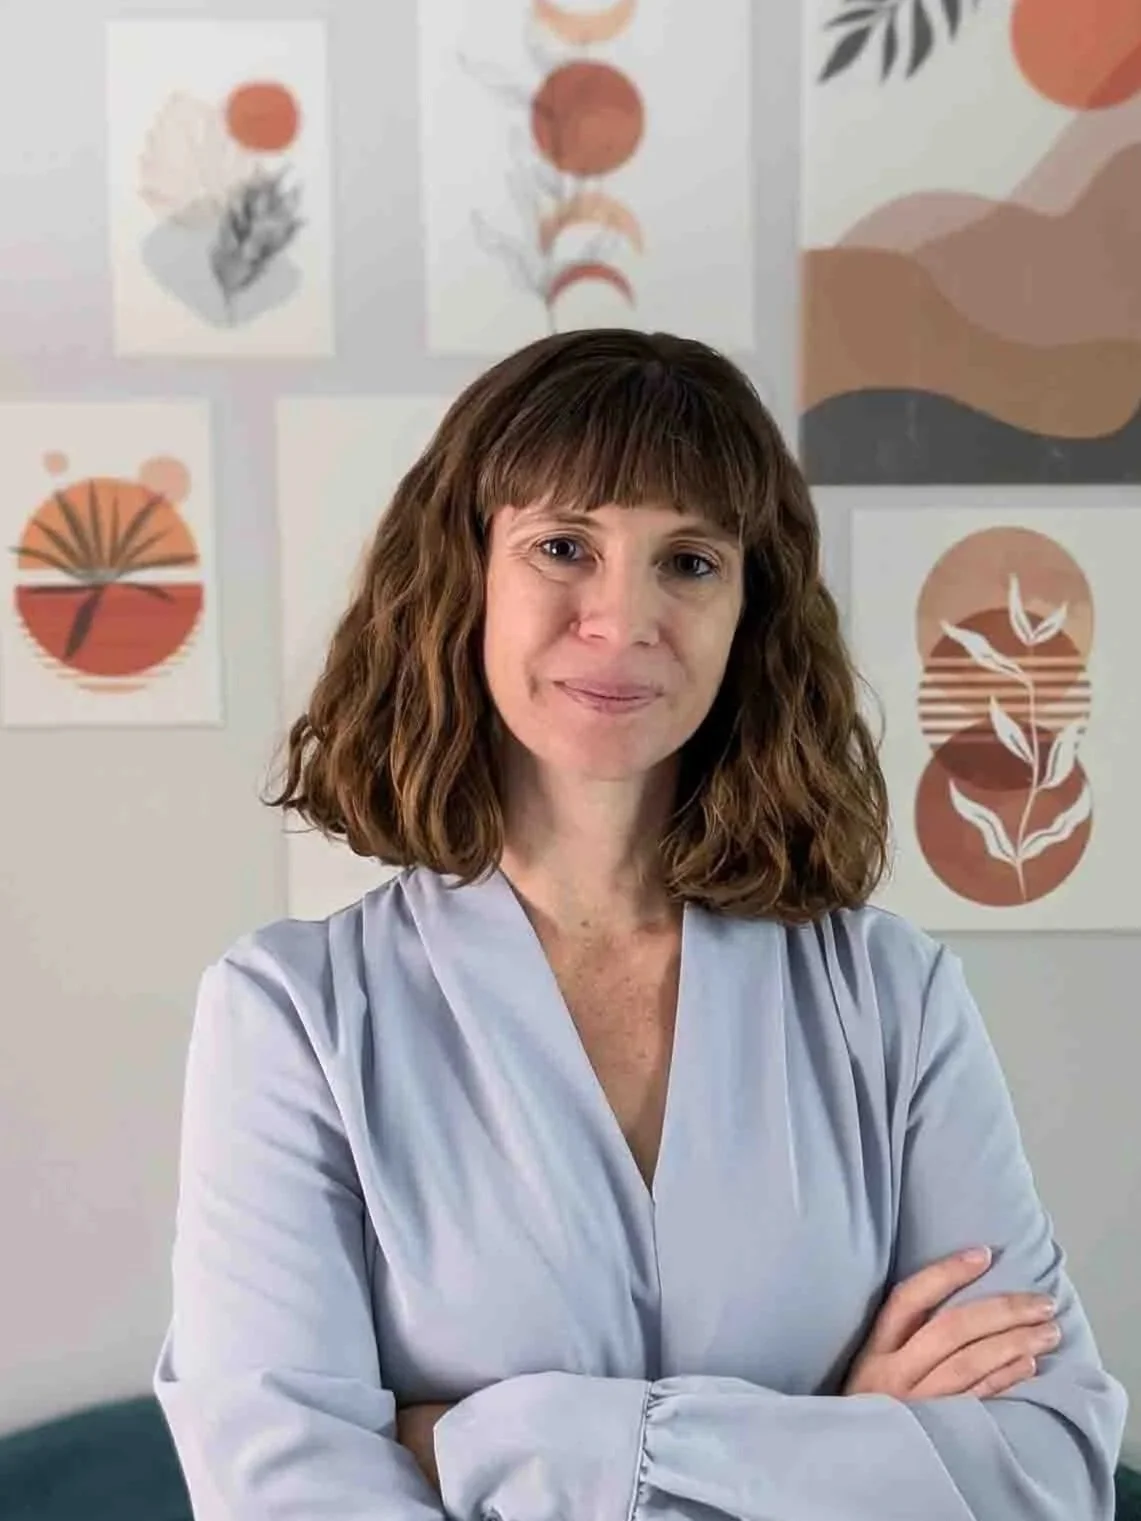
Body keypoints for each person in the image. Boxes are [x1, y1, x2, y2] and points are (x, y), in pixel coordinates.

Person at [154, 329, 1127, 1520]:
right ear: (462, 576)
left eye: (689, 561)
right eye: (563, 547)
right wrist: (845, 1447)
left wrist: (494, 1443)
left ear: (745, 612)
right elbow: (284, 1500)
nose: (622, 620)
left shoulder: (893, 998)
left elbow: (1045, 1471)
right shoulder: (290, 1017)